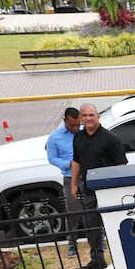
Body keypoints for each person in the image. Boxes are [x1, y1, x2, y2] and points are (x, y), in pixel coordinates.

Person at [70, 102, 128, 269]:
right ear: (80, 118)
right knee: (91, 228)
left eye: (91, 115)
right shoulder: (78, 137)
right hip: (89, 190)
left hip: (109, 191)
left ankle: (124, 259)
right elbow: (76, 162)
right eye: (84, 115)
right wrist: (74, 184)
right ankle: (97, 260)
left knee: (115, 227)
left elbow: (122, 166)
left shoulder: (111, 139)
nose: (88, 118)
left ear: (98, 117)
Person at [45, 107, 82, 257]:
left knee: (93, 211)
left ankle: (98, 238)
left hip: (88, 176)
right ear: (64, 121)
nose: (75, 128)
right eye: (72, 125)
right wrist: (68, 164)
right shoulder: (55, 137)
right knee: (73, 213)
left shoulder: (85, 131)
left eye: (77, 124)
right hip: (70, 177)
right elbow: (52, 158)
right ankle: (72, 244)